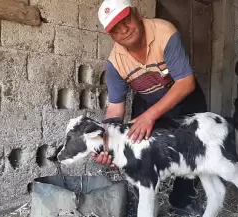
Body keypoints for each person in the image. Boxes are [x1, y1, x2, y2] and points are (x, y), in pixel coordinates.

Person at [91, 0, 208, 215]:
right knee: (138, 145)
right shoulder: (115, 64)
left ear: (137, 14)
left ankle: (183, 202)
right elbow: (115, 110)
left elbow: (186, 82)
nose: (124, 30)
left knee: (190, 147)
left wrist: (149, 116)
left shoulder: (164, 32)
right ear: (111, 36)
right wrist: (105, 144)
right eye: (115, 29)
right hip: (147, 99)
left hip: (184, 96)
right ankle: (146, 201)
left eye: (125, 20)